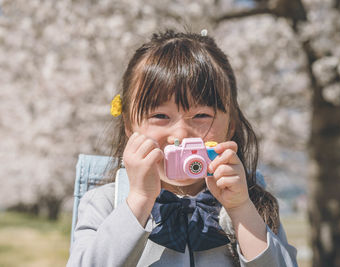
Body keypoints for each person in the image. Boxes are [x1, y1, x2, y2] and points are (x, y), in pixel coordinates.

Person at [67, 29, 298, 267]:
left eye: (201, 115)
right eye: (159, 115)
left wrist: (241, 208)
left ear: (231, 126)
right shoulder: (106, 202)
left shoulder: (253, 202)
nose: (180, 134)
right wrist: (139, 200)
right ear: (129, 126)